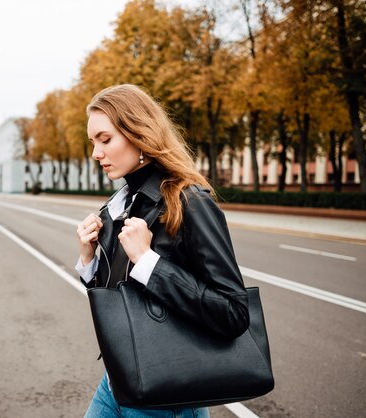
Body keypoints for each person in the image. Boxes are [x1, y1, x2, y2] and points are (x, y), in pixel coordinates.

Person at [76, 84, 249, 418]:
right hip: (117, 380)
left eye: (105, 139)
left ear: (138, 134)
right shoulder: (117, 207)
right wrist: (88, 259)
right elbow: (117, 304)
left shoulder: (188, 202)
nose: (96, 153)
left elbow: (233, 312)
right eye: (93, 142)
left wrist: (148, 262)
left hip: (167, 392)